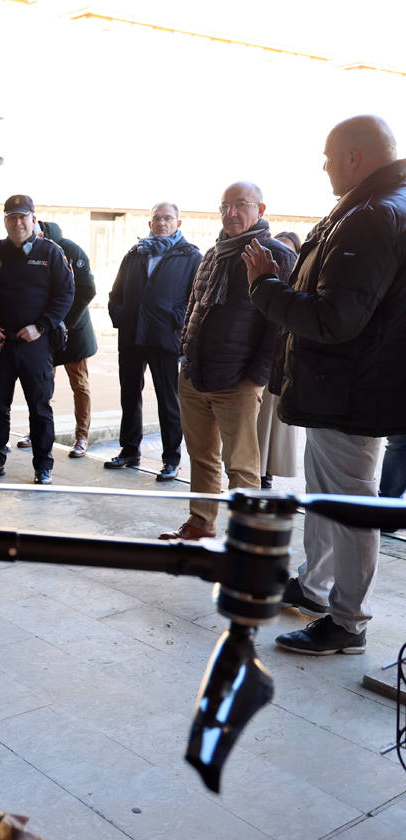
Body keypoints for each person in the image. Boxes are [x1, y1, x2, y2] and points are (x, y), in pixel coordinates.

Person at [244, 114, 406, 655]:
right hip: (347, 388)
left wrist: (265, 285)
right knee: (330, 498)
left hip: (351, 391)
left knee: (350, 506)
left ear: (355, 158)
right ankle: (314, 589)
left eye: (329, 156)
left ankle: (348, 623)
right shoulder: (379, 207)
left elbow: (334, 319)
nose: (324, 166)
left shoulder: (372, 215)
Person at [160, 183, 296, 541]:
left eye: (241, 205)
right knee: (201, 456)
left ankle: (245, 536)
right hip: (194, 374)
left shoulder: (276, 255)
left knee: (241, 464)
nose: (231, 213)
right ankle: (201, 524)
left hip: (237, 380)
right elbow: (194, 305)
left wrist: (256, 377)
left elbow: (279, 325)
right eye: (225, 206)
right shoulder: (214, 252)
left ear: (260, 209)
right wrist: (185, 355)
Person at [0, 194, 73, 484]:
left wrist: (42, 326)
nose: (17, 222)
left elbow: (66, 294)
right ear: (5, 221)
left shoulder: (50, 252)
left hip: (34, 344)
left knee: (40, 408)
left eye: (23, 217)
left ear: (33, 219)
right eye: (11, 217)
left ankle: (43, 465)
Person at [106, 202, 202, 479]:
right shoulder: (136, 254)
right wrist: (121, 316)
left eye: (168, 219)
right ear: (150, 224)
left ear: (178, 224)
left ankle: (171, 459)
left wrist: (176, 319)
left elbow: (196, 299)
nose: (162, 223)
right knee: (129, 395)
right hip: (132, 335)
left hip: (165, 337)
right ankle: (129, 450)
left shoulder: (190, 256)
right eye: (157, 219)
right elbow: (116, 292)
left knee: (168, 400)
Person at [15, 219, 96, 458]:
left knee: (79, 384)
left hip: (73, 329)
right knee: (40, 383)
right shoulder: (28, 251)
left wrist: (63, 322)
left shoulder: (69, 249)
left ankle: (82, 436)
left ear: (43, 234)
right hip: (44, 329)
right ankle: (37, 431)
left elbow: (87, 289)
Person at [257, 231, 303, 490]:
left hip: (284, 356)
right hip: (263, 354)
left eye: (288, 250)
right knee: (258, 418)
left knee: (274, 419)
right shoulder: (264, 281)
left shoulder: (299, 281)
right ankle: (256, 468)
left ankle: (268, 470)